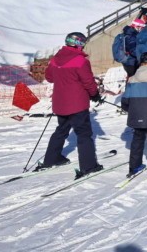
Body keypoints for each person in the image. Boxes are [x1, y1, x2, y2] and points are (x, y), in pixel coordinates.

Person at [40, 32, 104, 177]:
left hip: (60, 103)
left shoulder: (56, 59)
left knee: (61, 130)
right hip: (77, 103)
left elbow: (49, 78)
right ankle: (88, 166)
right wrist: (94, 94)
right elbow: (88, 81)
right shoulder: (80, 61)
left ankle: (51, 159)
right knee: (84, 134)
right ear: (79, 44)